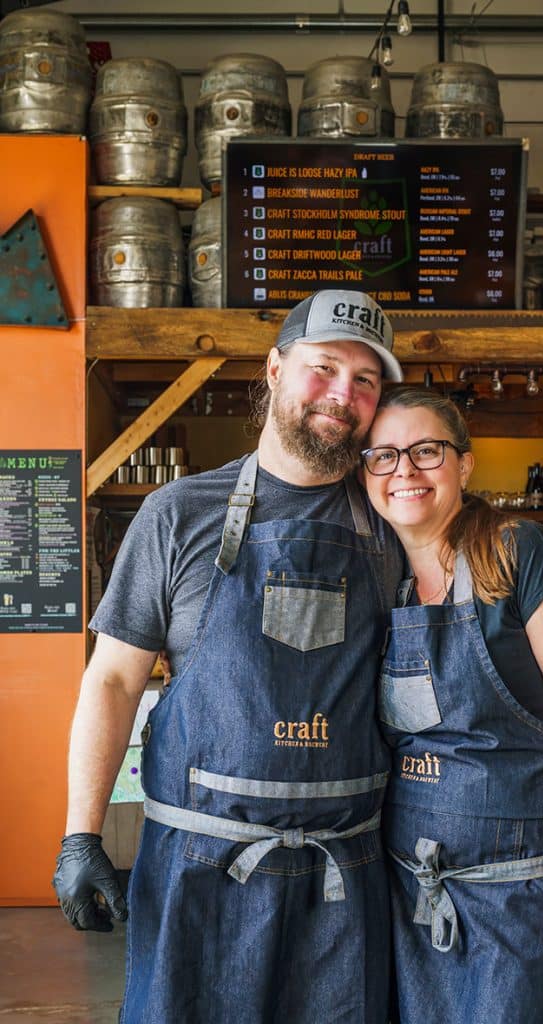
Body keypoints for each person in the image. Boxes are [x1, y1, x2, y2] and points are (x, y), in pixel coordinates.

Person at [53, 290, 405, 1023]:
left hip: (346, 874)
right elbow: (114, 680)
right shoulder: (178, 513)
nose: (343, 395)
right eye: (324, 368)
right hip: (199, 871)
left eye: (366, 380)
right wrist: (80, 833)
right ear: (274, 370)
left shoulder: (395, 529)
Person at [359, 386, 543, 1023]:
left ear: (464, 464)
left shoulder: (517, 553)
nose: (406, 472)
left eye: (427, 451)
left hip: (521, 894)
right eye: (385, 456)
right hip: (410, 890)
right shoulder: (378, 577)